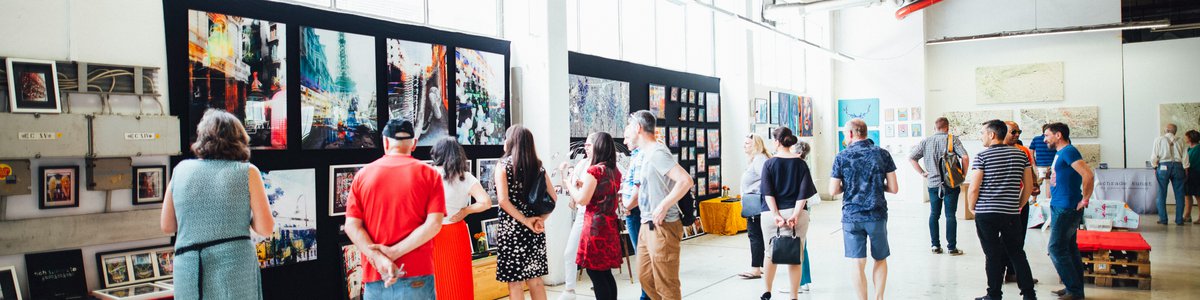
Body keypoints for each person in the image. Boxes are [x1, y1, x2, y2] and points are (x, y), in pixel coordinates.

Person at [160, 109, 275, 299]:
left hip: (189, 268)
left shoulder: (180, 170)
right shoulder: (247, 172)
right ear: (238, 138)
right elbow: (265, 228)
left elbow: (167, 226)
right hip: (233, 269)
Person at [344, 118, 446, 299]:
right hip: (417, 273)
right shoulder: (430, 175)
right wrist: (394, 252)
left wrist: (379, 258)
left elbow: (352, 226)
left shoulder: (362, 176)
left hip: (376, 276)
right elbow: (434, 224)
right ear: (414, 144)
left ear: (385, 141)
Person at [623, 110, 694, 300]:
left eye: (628, 129)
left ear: (638, 128)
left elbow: (685, 181)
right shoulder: (645, 154)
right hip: (647, 224)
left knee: (666, 284)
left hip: (663, 226)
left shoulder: (657, 152)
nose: (625, 137)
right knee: (646, 278)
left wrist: (663, 205)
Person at [967, 120, 1037, 300]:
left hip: (986, 213)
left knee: (992, 255)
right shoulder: (1021, 155)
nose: (981, 136)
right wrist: (1018, 205)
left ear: (991, 135)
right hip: (1011, 213)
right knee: (1017, 253)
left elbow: (974, 187)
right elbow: (1028, 186)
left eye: (983, 133)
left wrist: (971, 206)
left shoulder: (982, 157)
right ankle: (1029, 295)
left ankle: (994, 295)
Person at [830, 118, 898, 300]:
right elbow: (894, 188)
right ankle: (879, 297)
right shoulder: (883, 154)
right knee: (880, 258)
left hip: (852, 216)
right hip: (876, 215)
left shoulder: (841, 156)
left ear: (851, 134)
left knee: (857, 262)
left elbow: (833, 190)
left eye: (845, 133)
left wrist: (851, 186)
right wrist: (875, 185)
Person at [494, 125, 558, 300]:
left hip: (511, 229)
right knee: (535, 280)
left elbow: (502, 200)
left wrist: (524, 220)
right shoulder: (538, 167)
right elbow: (553, 199)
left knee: (515, 283)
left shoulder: (503, 165)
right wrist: (540, 220)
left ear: (510, 142)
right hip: (534, 230)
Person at [759, 127, 818, 300]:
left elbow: (767, 193)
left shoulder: (769, 164)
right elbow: (804, 193)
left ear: (776, 142)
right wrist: (796, 214)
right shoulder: (801, 164)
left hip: (770, 215)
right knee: (795, 254)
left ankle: (767, 291)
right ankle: (794, 296)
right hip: (797, 214)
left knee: (769, 252)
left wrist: (776, 214)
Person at [563, 132, 624, 300]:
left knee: (595, 273)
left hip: (594, 227)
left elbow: (582, 199)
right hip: (609, 226)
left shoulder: (594, 170)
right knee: (605, 273)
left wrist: (569, 184)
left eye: (590, 144)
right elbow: (603, 192)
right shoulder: (613, 170)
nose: (586, 148)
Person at [429, 137, 492, 300]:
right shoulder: (465, 176)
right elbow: (486, 202)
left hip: (432, 233)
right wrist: (465, 211)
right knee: (459, 280)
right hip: (456, 232)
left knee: (436, 281)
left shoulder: (429, 174)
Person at [1042, 122, 1093, 300]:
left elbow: (1088, 174)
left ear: (1058, 135)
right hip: (1060, 205)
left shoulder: (1069, 151)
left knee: (1055, 248)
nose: (1044, 139)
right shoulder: (1061, 153)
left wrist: (1085, 199)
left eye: (1047, 135)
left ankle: (1075, 291)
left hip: (1066, 207)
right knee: (1069, 249)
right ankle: (1074, 288)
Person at [909, 117, 970, 255]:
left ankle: (935, 246)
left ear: (935, 128)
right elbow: (965, 157)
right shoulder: (952, 139)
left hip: (933, 183)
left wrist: (923, 173)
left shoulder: (926, 141)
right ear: (947, 128)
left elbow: (912, 157)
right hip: (951, 184)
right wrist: (963, 175)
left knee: (934, 214)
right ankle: (952, 248)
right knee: (950, 215)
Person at [557, 133, 598, 300]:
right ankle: (569, 290)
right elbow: (571, 189)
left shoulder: (602, 166)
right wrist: (565, 176)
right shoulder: (582, 163)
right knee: (570, 252)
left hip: (596, 215)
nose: (586, 148)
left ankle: (598, 286)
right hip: (582, 213)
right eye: (586, 145)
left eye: (590, 145)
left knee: (596, 257)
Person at [1001, 121, 1040, 285]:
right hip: (1003, 204)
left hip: (1020, 202)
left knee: (1019, 239)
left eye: (1019, 132)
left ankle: (1013, 272)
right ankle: (998, 274)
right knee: (1002, 241)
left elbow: (1029, 172)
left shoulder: (1023, 150)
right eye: (1013, 132)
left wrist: (1034, 186)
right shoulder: (994, 151)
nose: (1017, 135)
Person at [738, 134, 772, 281]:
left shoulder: (759, 160)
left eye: (747, 143)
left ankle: (755, 269)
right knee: (758, 235)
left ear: (756, 144)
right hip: (755, 201)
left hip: (756, 202)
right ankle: (761, 266)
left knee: (755, 236)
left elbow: (767, 180)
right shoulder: (757, 159)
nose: (744, 146)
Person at [1151, 123, 1191, 225]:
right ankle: (1179, 220)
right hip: (1178, 167)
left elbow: (1154, 155)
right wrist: (1186, 168)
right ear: (1175, 131)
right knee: (1179, 194)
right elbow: (1185, 156)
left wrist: (1155, 166)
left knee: (1161, 193)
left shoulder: (1159, 139)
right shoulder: (1181, 140)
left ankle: (1163, 219)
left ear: (1167, 130)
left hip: (1163, 166)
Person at [1184, 130, 1200, 224]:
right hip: (1189, 174)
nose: (1185, 138)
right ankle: (1187, 216)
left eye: (1186, 137)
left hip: (1197, 174)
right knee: (1187, 195)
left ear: (1190, 138)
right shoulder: (1189, 148)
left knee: (1198, 196)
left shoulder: (1198, 148)